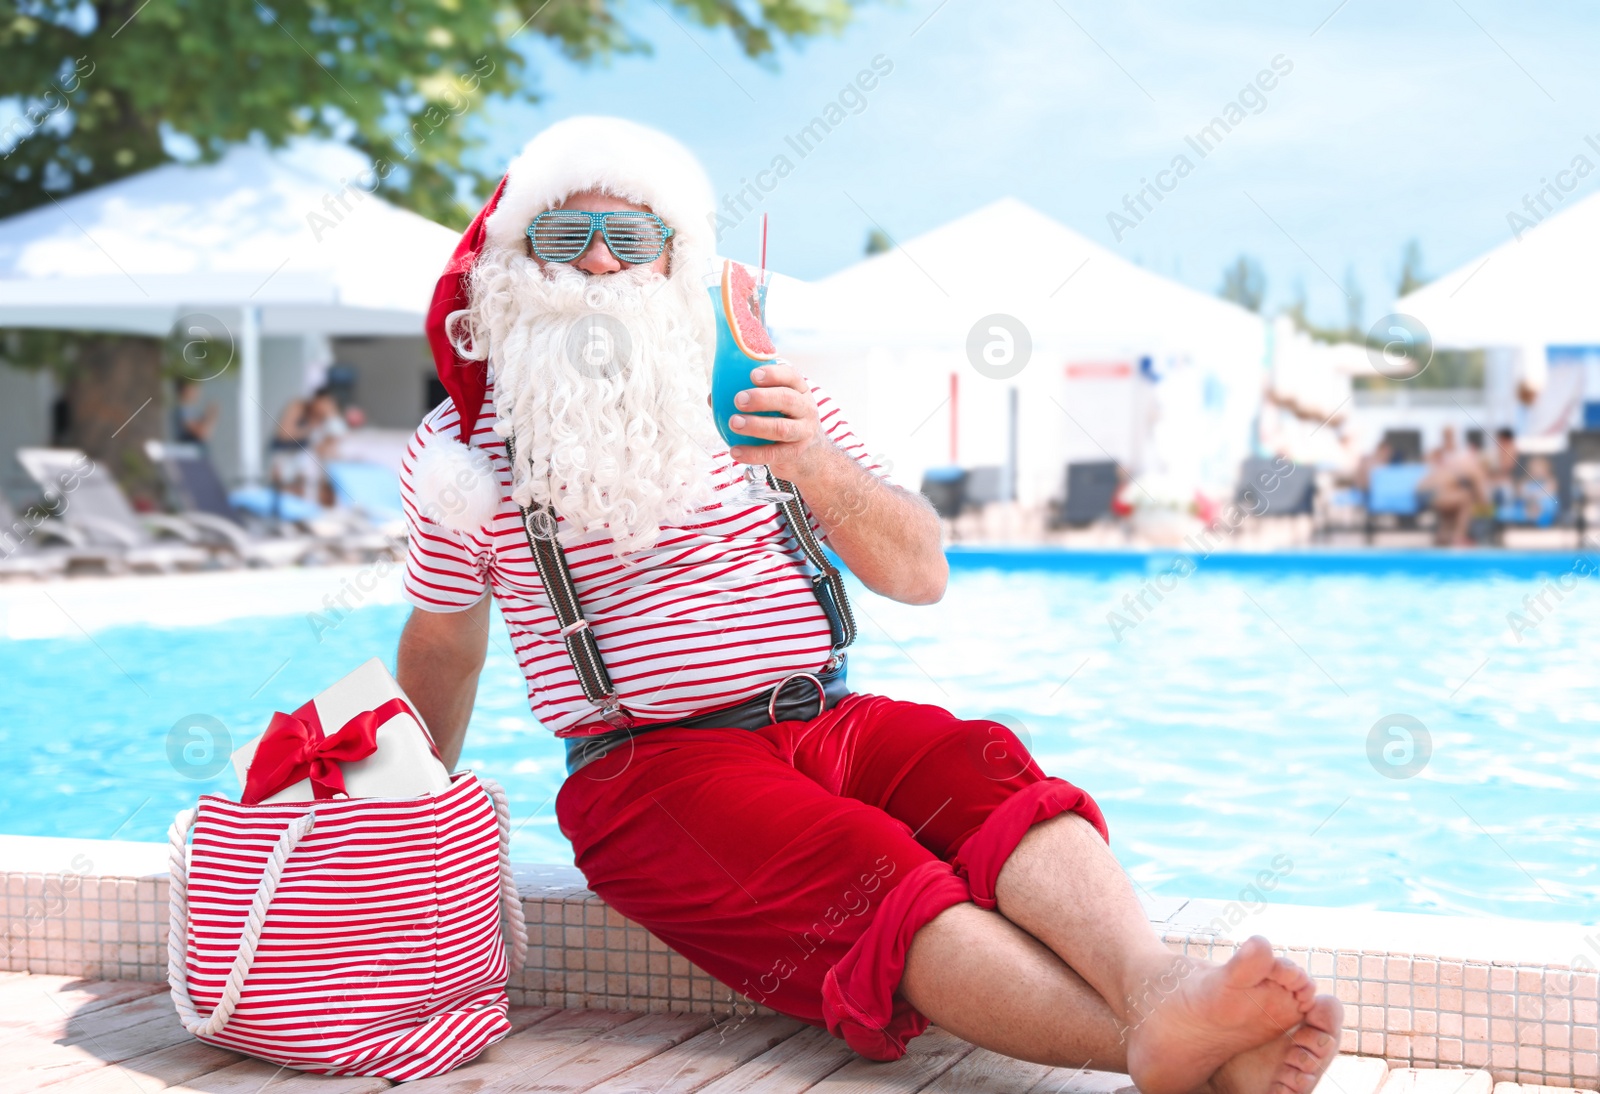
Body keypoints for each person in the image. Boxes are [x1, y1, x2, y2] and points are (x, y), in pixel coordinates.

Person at [394, 116, 1342, 1094]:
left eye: (630, 239)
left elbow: (919, 571)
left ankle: (1160, 989)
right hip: (648, 768)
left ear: (676, 259)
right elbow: (446, 645)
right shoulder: (462, 453)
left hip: (828, 718)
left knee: (986, 767)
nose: (597, 262)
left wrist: (805, 459)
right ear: (514, 260)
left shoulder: (763, 394)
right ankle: (1151, 1042)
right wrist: (400, 811)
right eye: (563, 238)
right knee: (871, 867)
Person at [1418, 426, 1489, 546]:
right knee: (1466, 498)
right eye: (1447, 436)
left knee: (1453, 509)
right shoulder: (1453, 458)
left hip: (1432, 491)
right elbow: (1478, 484)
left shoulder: (1452, 457)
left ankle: (1444, 538)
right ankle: (1458, 537)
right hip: (1431, 491)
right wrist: (1485, 506)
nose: (1449, 439)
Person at [171, 378, 218, 449]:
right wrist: (212, 416)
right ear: (186, 389)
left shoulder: (189, 410)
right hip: (189, 455)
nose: (198, 390)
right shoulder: (183, 410)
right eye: (194, 387)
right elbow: (202, 433)